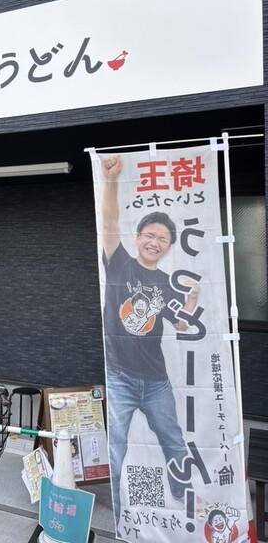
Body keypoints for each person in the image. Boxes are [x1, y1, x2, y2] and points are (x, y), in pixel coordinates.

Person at [101, 155, 200, 530]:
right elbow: (109, 221)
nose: (155, 242)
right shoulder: (119, 262)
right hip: (119, 376)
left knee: (174, 441)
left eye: (163, 239)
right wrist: (111, 180)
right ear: (137, 238)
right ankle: (119, 507)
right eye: (150, 235)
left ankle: (184, 498)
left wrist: (192, 301)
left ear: (169, 246)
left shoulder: (167, 284)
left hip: (156, 381)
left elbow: (183, 324)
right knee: (117, 446)